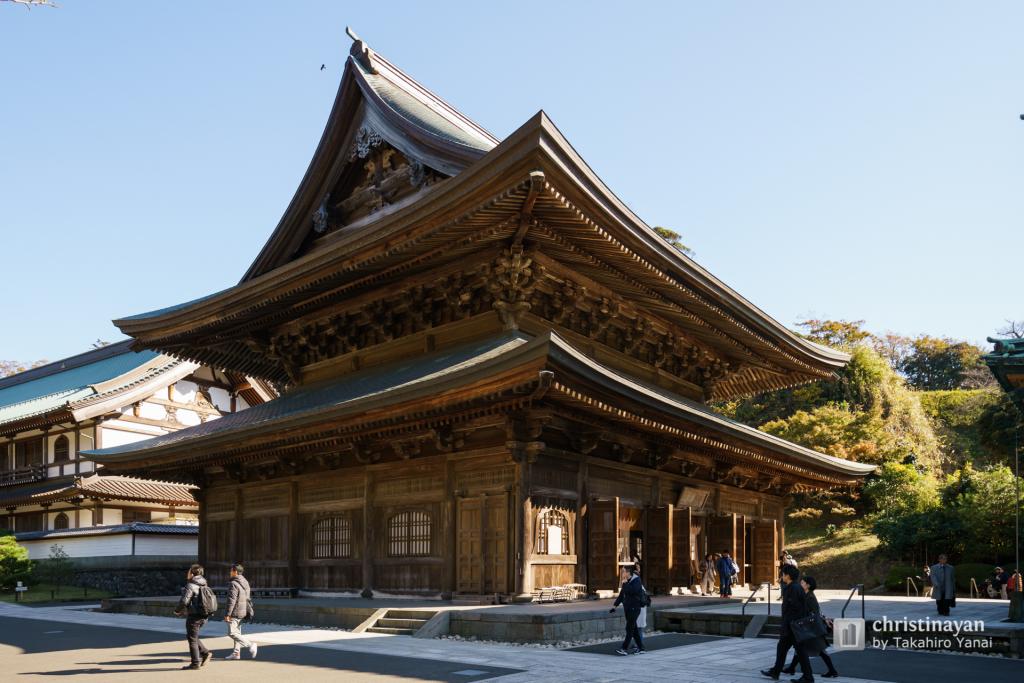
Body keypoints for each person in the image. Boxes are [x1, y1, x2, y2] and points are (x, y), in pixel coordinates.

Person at [761, 564, 813, 682]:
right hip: (792, 626)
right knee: (783, 649)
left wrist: (787, 625)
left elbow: (793, 609)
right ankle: (776, 671)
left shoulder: (793, 588)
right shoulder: (794, 587)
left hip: (793, 627)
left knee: (800, 652)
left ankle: (808, 677)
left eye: (783, 574)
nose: (782, 576)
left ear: (787, 576)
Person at [781, 576, 838, 679]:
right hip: (810, 627)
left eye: (802, 583)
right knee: (801, 648)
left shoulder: (810, 597)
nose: (800, 584)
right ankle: (792, 668)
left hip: (812, 628)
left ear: (808, 585)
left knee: (819, 650)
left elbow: (815, 612)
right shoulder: (807, 595)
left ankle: (832, 670)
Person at [173, 564, 213, 670]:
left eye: (189, 571)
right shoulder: (205, 584)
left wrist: (177, 611)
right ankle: (205, 653)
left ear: (191, 573)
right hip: (204, 615)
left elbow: (184, 601)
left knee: (192, 639)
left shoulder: (190, 585)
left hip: (194, 616)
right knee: (192, 637)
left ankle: (195, 663)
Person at [610, 565, 647, 655]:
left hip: (635, 608)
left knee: (629, 628)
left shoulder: (636, 581)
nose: (622, 573)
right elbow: (622, 595)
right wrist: (614, 606)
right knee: (633, 629)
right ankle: (641, 648)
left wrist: (625, 583)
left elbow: (632, 591)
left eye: (623, 571)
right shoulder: (625, 582)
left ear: (628, 573)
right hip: (628, 608)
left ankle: (624, 648)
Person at [223, 562, 258, 660]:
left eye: (231, 570)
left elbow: (231, 600)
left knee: (232, 633)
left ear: (235, 572)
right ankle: (236, 653)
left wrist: (227, 614)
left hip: (235, 611)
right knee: (237, 632)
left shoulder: (233, 583)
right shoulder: (245, 582)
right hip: (243, 611)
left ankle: (251, 645)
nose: (230, 572)